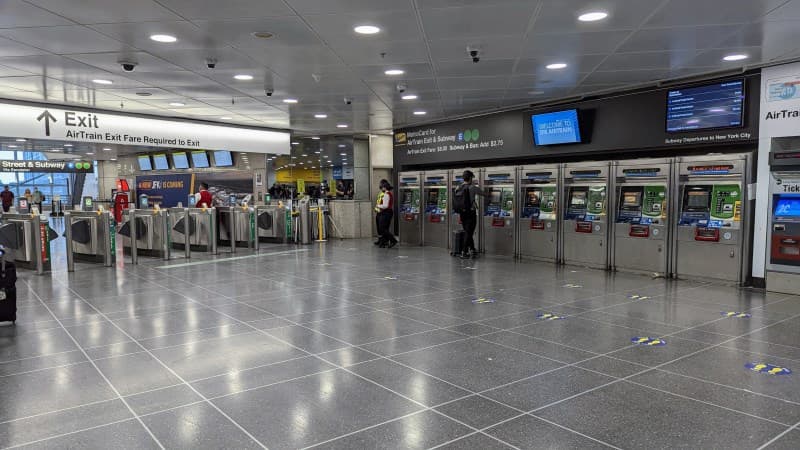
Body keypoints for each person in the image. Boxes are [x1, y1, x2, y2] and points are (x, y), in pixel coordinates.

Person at [454, 170, 484, 259]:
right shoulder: (472, 187)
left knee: (468, 232)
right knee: (469, 232)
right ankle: (464, 251)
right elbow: (484, 194)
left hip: (462, 213)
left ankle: (472, 249)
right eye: (472, 177)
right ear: (470, 178)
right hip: (471, 213)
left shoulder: (458, 187)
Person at [374, 179, 398, 248]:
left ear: (385, 186)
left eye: (382, 186)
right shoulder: (386, 194)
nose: (381, 188)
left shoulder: (386, 194)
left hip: (386, 212)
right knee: (384, 228)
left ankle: (393, 240)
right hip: (386, 212)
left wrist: (377, 206)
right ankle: (384, 241)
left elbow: (385, 206)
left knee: (382, 228)